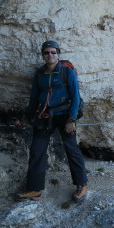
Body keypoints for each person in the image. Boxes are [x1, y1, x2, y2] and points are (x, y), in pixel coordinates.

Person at [14, 40, 88, 203]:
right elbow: (34, 98)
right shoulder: (39, 74)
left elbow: (76, 97)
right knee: (36, 150)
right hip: (45, 115)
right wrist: (27, 117)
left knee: (71, 148)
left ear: (58, 54)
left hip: (65, 115)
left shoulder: (67, 72)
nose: (50, 55)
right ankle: (34, 189)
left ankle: (82, 184)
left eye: (53, 52)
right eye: (46, 52)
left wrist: (72, 119)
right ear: (43, 55)